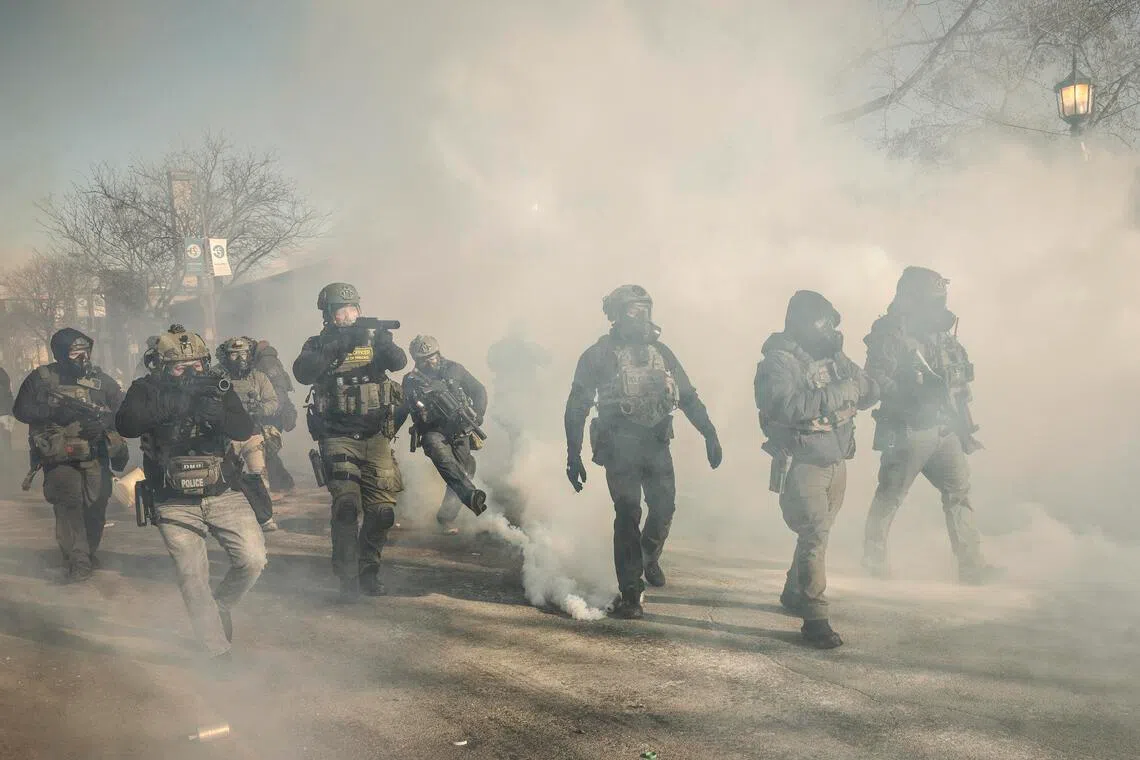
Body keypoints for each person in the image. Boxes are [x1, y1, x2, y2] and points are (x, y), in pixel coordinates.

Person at [564, 284, 723, 619]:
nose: (642, 318)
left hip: (655, 443)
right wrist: (573, 453)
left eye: (646, 310)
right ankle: (631, 592)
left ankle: (648, 556)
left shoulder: (661, 352)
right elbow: (577, 405)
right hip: (618, 447)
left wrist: (709, 432)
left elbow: (688, 396)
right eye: (634, 311)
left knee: (664, 508)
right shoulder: (598, 355)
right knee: (628, 514)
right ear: (617, 316)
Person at [115, 324, 266, 663]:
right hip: (172, 500)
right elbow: (126, 425)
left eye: (198, 364)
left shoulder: (217, 386)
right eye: (180, 367)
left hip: (222, 491)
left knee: (253, 560)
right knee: (191, 575)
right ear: (162, 367)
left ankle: (222, 604)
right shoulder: (146, 389)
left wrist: (217, 411)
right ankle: (216, 650)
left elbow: (243, 428)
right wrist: (171, 405)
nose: (191, 372)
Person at [861, 266, 1002, 585]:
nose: (940, 305)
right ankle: (873, 562)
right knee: (890, 496)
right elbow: (873, 379)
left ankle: (971, 566)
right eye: (933, 298)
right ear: (912, 298)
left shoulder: (939, 330)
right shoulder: (890, 333)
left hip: (944, 428)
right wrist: (910, 390)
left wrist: (962, 416)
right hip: (909, 428)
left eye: (942, 298)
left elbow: (956, 372)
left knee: (959, 493)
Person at [755, 291, 878, 649]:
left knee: (817, 534)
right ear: (802, 324)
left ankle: (794, 591)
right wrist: (840, 392)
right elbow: (785, 407)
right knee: (814, 534)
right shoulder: (778, 362)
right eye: (823, 324)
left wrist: (849, 375)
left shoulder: (832, 359)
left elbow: (869, 393)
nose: (830, 331)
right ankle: (815, 617)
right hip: (803, 460)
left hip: (836, 458)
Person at [293, 283, 406, 601]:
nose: (348, 315)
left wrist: (379, 341)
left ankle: (369, 571)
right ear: (328, 316)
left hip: (376, 437)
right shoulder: (317, 343)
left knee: (383, 512)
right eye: (341, 311)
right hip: (337, 436)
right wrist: (335, 345)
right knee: (345, 506)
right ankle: (347, 576)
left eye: (352, 309)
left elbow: (398, 362)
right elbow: (303, 372)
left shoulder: (373, 337)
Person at [12, 328, 128, 582]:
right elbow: (21, 410)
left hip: (95, 455)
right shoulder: (42, 378)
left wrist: (104, 424)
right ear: (62, 354)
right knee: (69, 505)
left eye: (86, 351)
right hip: (60, 458)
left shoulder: (101, 381)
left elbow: (123, 414)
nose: (82, 358)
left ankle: (87, 551)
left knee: (96, 507)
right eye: (76, 352)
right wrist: (52, 413)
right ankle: (77, 559)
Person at [402, 335, 489, 533]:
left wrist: (478, 414)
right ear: (416, 360)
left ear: (438, 353)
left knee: (465, 469)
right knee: (444, 458)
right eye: (422, 359)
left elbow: (478, 390)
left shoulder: (454, 369)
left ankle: (446, 516)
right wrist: (387, 433)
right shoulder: (411, 381)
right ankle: (471, 496)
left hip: (459, 429)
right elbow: (402, 409)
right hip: (432, 431)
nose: (428, 362)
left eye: (431, 356)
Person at [217, 337, 280, 531]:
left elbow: (273, 401)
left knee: (258, 476)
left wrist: (260, 410)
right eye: (234, 354)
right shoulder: (217, 377)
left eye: (243, 353)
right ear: (226, 356)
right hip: (226, 438)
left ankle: (264, 517)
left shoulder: (259, 377)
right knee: (226, 482)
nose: (239, 358)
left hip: (253, 434)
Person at [250, 338, 298, 496]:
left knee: (268, 449)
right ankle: (285, 483)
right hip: (275, 411)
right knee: (269, 450)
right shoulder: (269, 360)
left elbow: (278, 389)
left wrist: (271, 410)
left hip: (274, 413)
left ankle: (280, 486)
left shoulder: (267, 361)